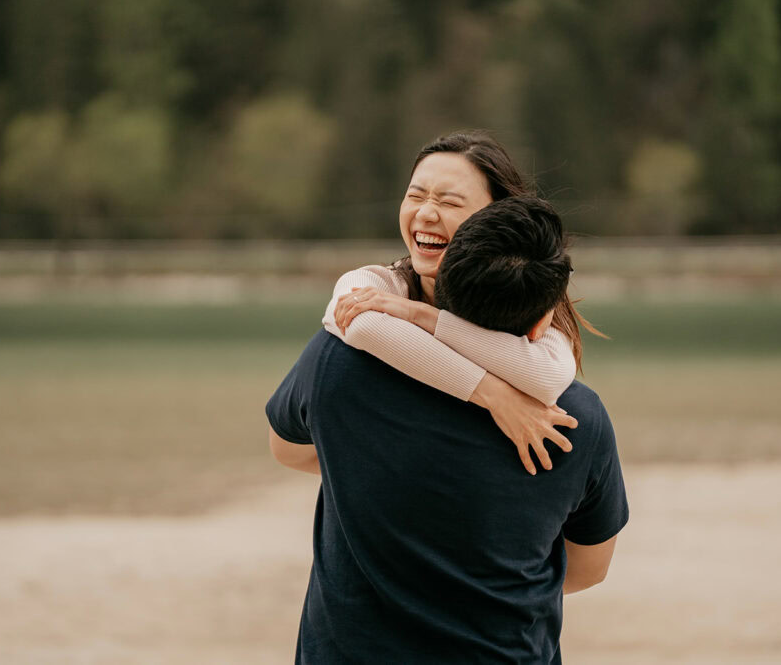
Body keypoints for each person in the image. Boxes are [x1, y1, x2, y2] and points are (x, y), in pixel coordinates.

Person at [266, 196, 629, 663]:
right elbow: (586, 570)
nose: (428, 212)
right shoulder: (575, 419)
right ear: (543, 320)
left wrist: (376, 469)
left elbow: (286, 449)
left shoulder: (338, 363)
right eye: (418, 195)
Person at [321, 130, 602, 475]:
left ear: (496, 217)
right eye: (415, 196)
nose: (425, 214)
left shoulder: (534, 303)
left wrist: (422, 317)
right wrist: (496, 396)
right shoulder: (380, 283)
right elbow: (360, 325)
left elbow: (547, 376)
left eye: (449, 202)